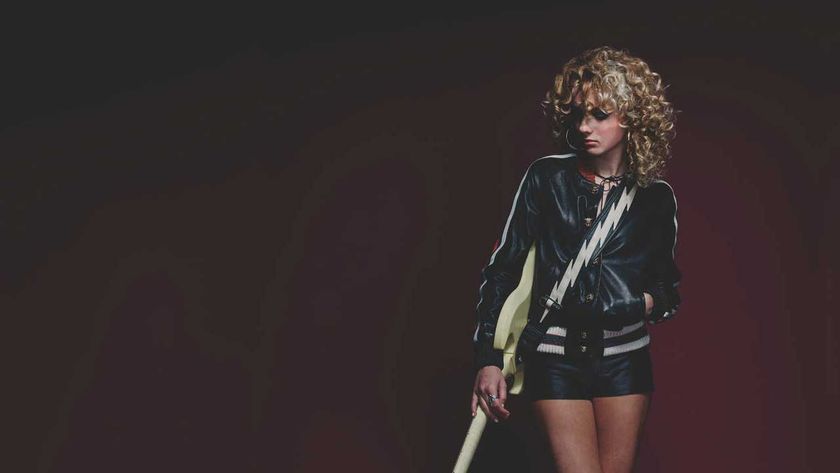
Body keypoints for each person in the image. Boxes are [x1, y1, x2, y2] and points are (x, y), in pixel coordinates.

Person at [470, 46, 682, 472]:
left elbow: (668, 289)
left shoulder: (655, 199)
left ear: (632, 116)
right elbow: (503, 269)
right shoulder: (546, 178)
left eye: (599, 114)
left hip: (624, 359)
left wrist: (638, 304)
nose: (585, 126)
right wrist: (488, 359)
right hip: (554, 355)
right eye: (579, 114)